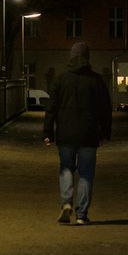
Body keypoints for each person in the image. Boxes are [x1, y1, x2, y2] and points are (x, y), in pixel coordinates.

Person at [42, 41, 112, 225]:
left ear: (71, 57)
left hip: (65, 134)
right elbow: (105, 108)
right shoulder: (96, 80)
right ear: (88, 58)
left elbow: (52, 108)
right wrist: (105, 132)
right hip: (89, 134)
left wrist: (48, 131)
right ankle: (82, 214)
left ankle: (66, 203)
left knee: (66, 168)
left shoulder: (61, 79)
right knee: (86, 173)